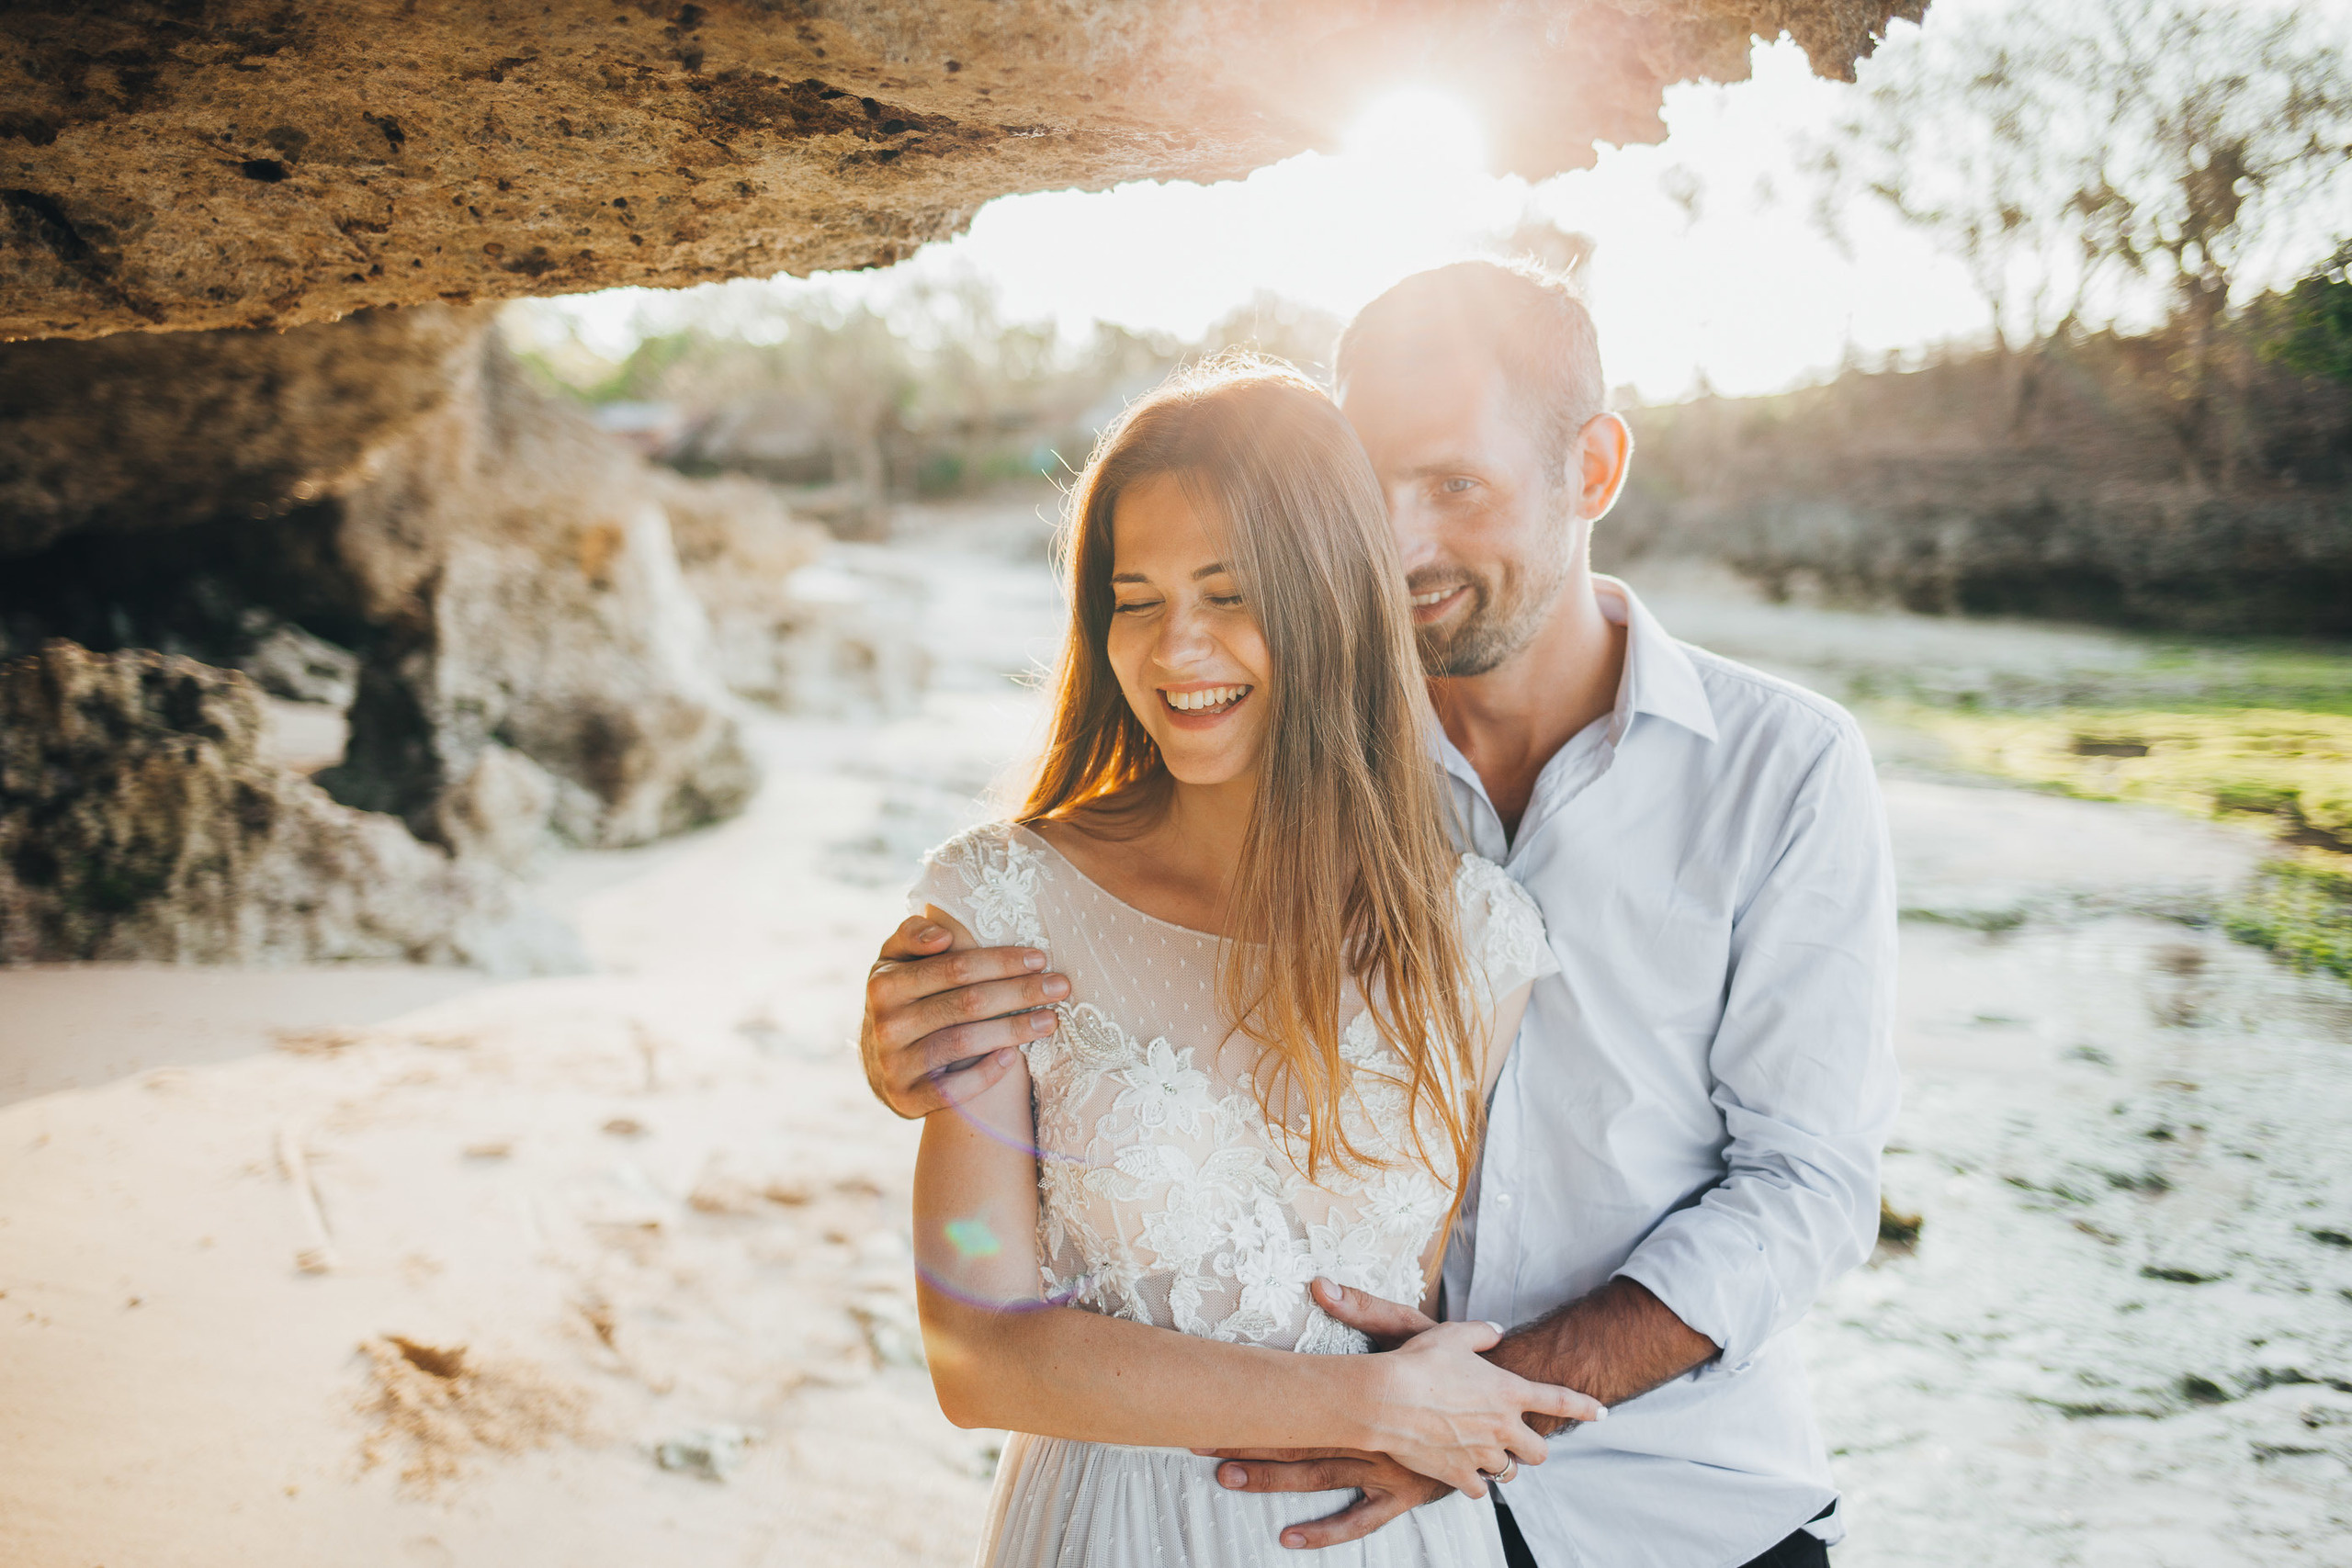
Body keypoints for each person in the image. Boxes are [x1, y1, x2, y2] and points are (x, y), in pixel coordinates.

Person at [868, 261, 1900, 1568]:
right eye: (1371, 491)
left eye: (1455, 487)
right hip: (1291, 1498)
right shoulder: (1267, 735)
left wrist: (1467, 1404)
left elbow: (1808, 1183)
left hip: (1673, 1503)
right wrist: (910, 1047)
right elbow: (993, 1269)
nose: (1403, 543)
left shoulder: (1782, 771)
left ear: (1593, 470)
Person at [906, 355, 1604, 1567]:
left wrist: (1420, 1409)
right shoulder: (1001, 902)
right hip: (1109, 1531)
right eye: (1135, 599)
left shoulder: (1479, 938)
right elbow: (976, 1350)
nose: (1177, 648)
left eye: (1227, 593)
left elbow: (1423, 1295)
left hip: (1383, 1542)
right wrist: (1368, 1408)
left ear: (1330, 599)